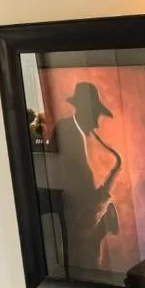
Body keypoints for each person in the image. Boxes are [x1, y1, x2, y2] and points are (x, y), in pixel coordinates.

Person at [41, 82, 122, 275]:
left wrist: (99, 197)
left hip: (80, 217)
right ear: (85, 110)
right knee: (87, 265)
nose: (97, 123)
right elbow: (75, 181)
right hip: (75, 220)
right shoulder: (68, 130)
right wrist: (99, 197)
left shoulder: (75, 131)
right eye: (96, 115)